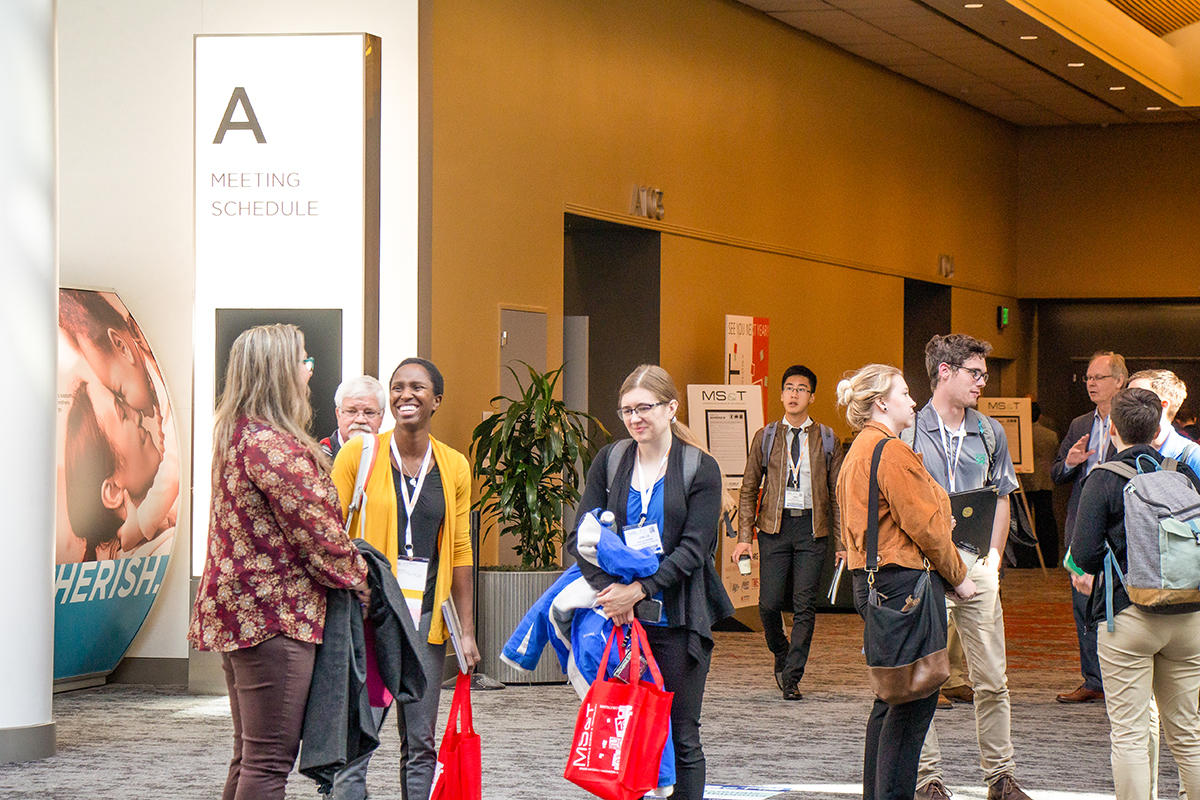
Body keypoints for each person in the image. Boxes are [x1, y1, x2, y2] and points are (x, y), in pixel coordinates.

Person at [188, 323, 369, 800]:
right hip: (276, 619)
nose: (309, 374)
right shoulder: (273, 445)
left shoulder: (236, 436)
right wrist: (361, 575)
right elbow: (319, 535)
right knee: (268, 764)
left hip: (242, 616)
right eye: (304, 363)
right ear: (279, 373)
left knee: (250, 756)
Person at [566, 364, 734, 800]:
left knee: (681, 734)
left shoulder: (701, 467)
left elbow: (694, 550)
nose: (635, 418)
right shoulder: (612, 459)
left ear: (671, 408)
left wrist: (637, 591)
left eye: (645, 407)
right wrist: (611, 594)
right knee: (622, 729)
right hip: (618, 624)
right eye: (626, 410)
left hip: (676, 621)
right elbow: (580, 537)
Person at [330, 357, 480, 800]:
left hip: (425, 625)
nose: (405, 395)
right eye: (397, 387)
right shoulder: (359, 454)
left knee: (421, 743)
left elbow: (459, 551)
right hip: (372, 624)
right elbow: (330, 534)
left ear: (437, 400)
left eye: (417, 387)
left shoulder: (454, 466)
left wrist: (466, 631)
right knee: (359, 738)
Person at [834, 363, 974, 800]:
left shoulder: (859, 450)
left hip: (876, 584)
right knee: (913, 703)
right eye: (905, 393)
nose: (913, 401)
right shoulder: (890, 451)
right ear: (881, 402)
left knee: (891, 698)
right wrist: (960, 576)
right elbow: (926, 527)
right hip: (905, 587)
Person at [906, 334, 1029, 800]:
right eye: (974, 373)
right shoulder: (909, 431)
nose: (984, 381)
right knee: (925, 677)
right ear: (944, 371)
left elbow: (1002, 499)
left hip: (976, 565)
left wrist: (994, 561)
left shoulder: (990, 431)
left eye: (983, 372)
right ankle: (928, 779)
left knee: (992, 678)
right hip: (922, 568)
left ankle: (1001, 776)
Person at [1070, 387, 1200, 800]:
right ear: (1158, 426)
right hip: (1188, 615)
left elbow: (1084, 557)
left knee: (1129, 733)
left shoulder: (1103, 478)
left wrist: (1081, 570)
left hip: (1128, 617)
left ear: (1112, 429)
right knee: (1189, 732)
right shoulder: (1182, 472)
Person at [733, 364, 843, 700]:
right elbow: (749, 488)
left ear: (812, 396)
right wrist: (742, 538)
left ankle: (792, 676)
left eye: (801, 389)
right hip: (774, 528)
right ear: (781, 395)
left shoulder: (827, 439)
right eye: (789, 388)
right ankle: (781, 651)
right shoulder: (765, 437)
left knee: (804, 606)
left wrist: (842, 543)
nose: (794, 394)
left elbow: (838, 496)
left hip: (812, 530)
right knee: (768, 604)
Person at [1052, 350, 1126, 704]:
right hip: (1082, 523)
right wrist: (1070, 461)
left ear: (1119, 382)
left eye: (1099, 377)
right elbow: (1057, 472)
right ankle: (1093, 679)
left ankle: (1121, 681)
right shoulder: (1080, 425)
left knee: (1121, 605)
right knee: (1082, 605)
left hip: (1122, 528)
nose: (1091, 384)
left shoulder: (1132, 422)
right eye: (1088, 378)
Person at [63, 379, 166, 561]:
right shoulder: (161, 551)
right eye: (123, 415)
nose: (137, 414)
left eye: (125, 402)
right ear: (113, 491)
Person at [1127, 369, 1200, 475]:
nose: (1125, 404)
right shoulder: (1124, 453)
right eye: (1125, 396)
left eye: (1136, 398)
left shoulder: (1193, 457)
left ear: (1162, 406)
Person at [1021, 401, 1060, 566]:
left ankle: (1025, 559)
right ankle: (1049, 558)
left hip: (1023, 482)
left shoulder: (1020, 435)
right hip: (1045, 480)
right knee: (1046, 520)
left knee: (1024, 523)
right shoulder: (1050, 435)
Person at [321, 375, 387, 459]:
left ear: (381, 417)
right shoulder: (318, 458)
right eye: (351, 411)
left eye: (369, 412)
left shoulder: (392, 458)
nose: (360, 420)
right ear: (338, 414)